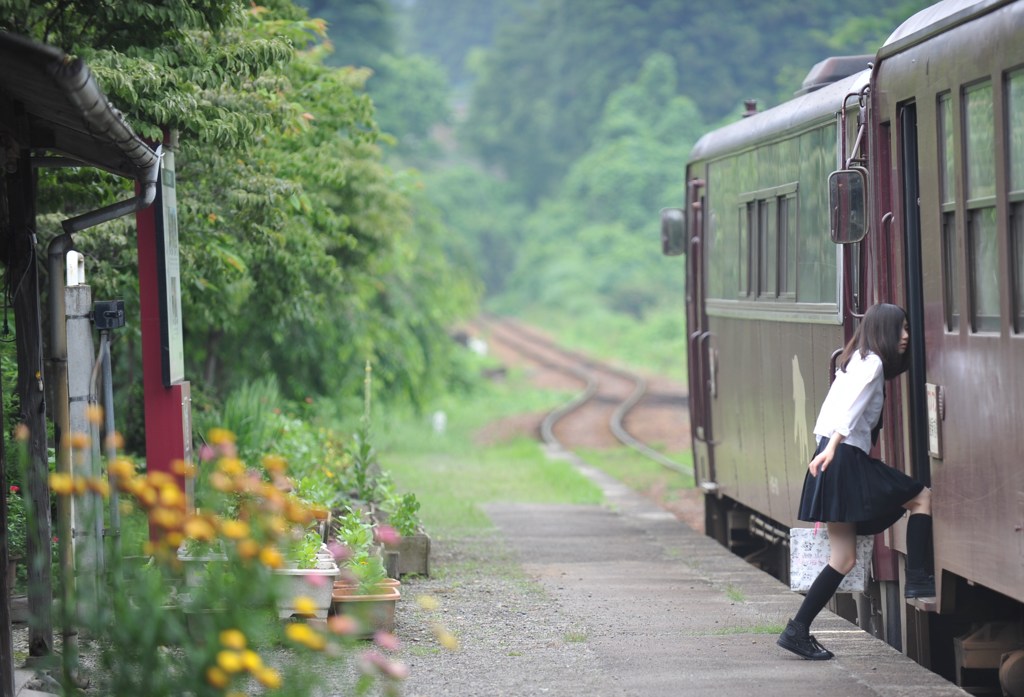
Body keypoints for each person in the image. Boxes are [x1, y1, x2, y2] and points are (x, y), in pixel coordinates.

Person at [777, 303, 935, 661]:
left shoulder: (854, 361)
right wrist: (833, 448)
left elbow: (835, 409)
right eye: (901, 328)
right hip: (844, 458)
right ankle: (920, 579)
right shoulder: (873, 364)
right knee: (921, 497)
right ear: (883, 330)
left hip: (833, 457)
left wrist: (825, 448)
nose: (907, 335)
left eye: (908, 328)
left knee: (844, 558)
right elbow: (848, 412)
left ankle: (796, 630)